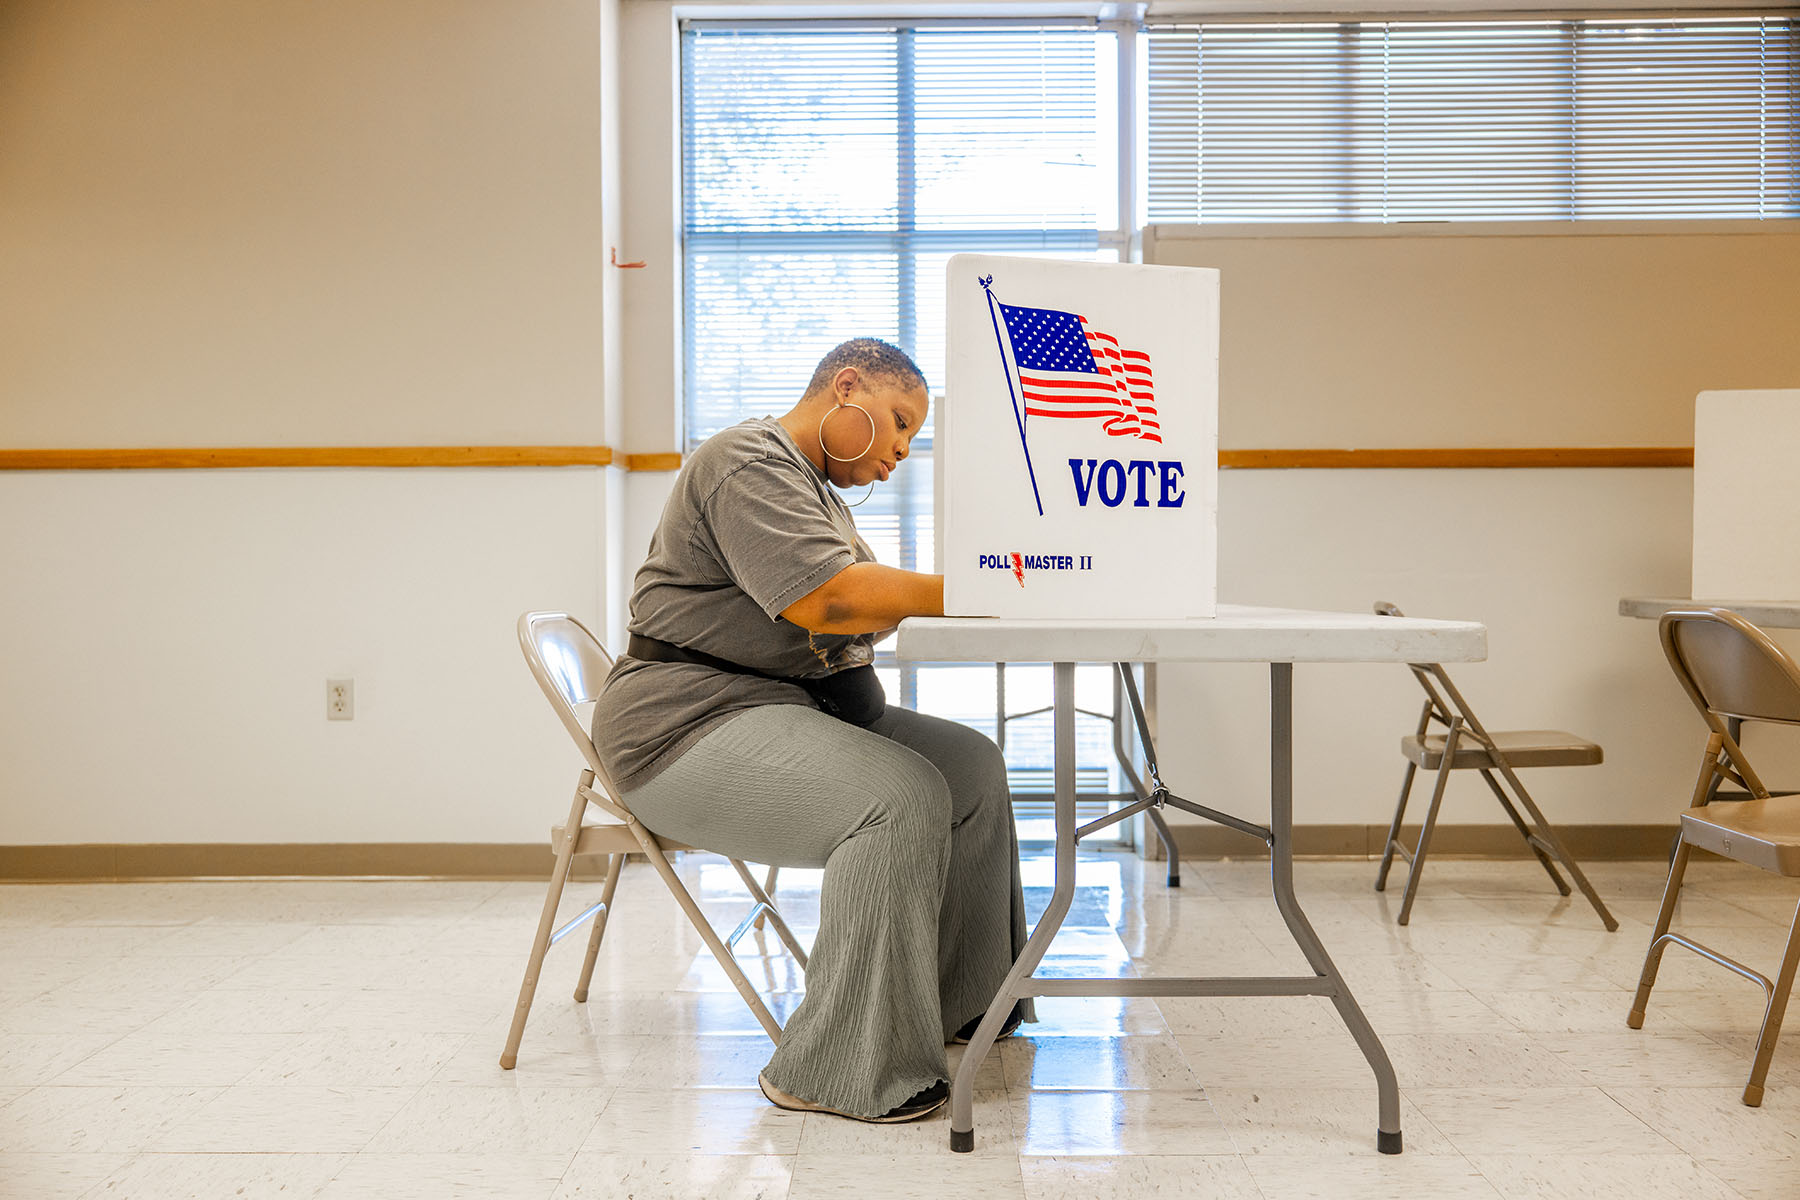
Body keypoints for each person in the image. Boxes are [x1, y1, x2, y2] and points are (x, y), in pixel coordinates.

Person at [592, 337, 1032, 1123]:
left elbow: (857, 605)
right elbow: (829, 602)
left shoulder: (812, 492)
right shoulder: (745, 461)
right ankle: (829, 1069)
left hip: (775, 708)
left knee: (970, 765)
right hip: (681, 728)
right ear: (847, 386)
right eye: (899, 423)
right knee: (896, 797)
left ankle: (954, 1002)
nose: (900, 451)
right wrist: (989, 580)